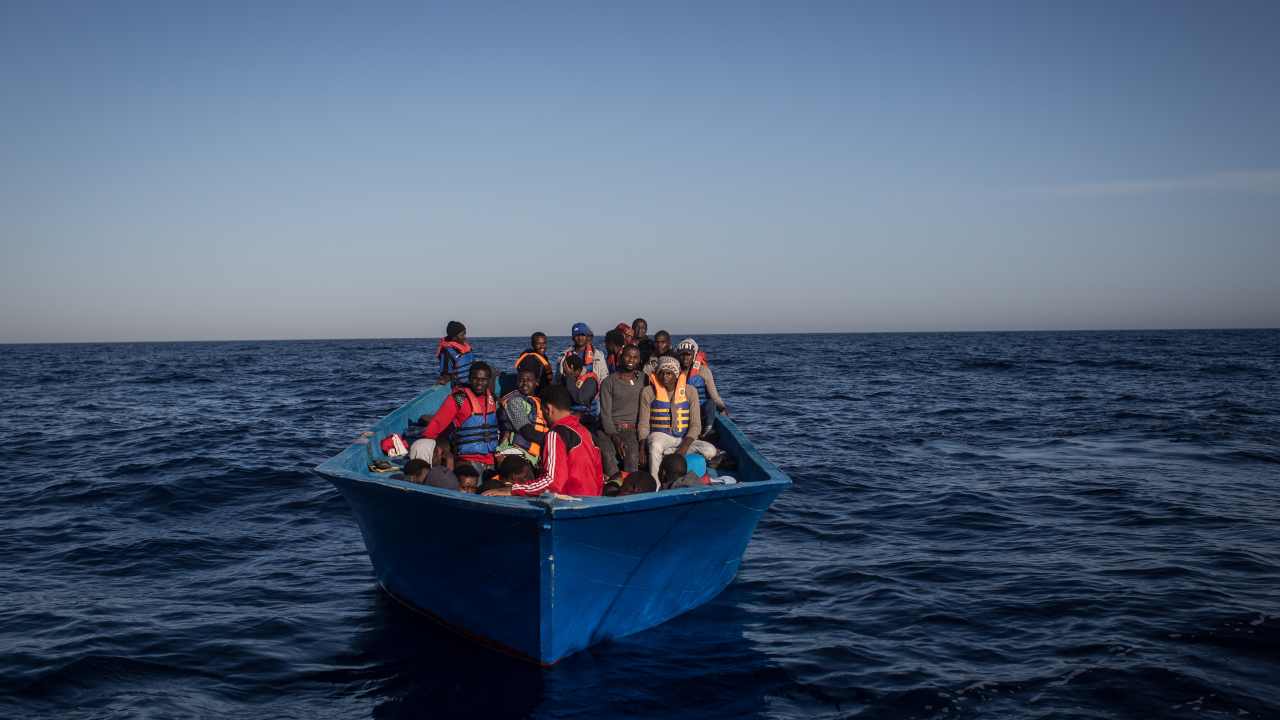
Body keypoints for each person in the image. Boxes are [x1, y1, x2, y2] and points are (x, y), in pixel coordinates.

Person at [484, 385, 603, 497]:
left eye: (542, 412)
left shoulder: (555, 434)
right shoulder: (587, 433)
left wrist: (512, 490)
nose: (544, 419)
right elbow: (599, 477)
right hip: (592, 500)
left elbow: (552, 482)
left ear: (548, 409)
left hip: (567, 503)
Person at [411, 362, 499, 471]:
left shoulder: (493, 400)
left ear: (489, 380)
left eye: (484, 379)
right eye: (475, 379)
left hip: (492, 459)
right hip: (467, 459)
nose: (479, 383)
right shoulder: (458, 399)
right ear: (469, 378)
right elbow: (436, 425)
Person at [639, 356, 717, 473]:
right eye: (662, 373)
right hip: (660, 438)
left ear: (676, 375)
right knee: (655, 444)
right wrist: (642, 449)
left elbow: (696, 425)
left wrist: (683, 448)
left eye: (669, 373)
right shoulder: (648, 392)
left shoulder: (690, 391)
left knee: (710, 450)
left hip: (683, 439)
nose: (665, 376)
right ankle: (656, 482)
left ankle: (667, 455)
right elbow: (643, 424)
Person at [598, 344, 644, 476]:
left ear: (639, 360)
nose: (631, 360)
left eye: (635, 357)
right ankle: (614, 486)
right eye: (628, 356)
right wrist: (615, 437)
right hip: (609, 429)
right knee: (607, 454)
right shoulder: (609, 382)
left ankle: (631, 487)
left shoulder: (643, 379)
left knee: (632, 455)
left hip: (631, 429)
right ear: (621, 357)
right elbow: (605, 415)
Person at [675, 338, 728, 436]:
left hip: (700, 410)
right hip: (681, 411)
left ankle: (707, 430)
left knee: (711, 403)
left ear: (694, 355)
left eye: (688, 354)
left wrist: (722, 408)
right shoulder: (674, 371)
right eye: (682, 354)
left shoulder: (703, 371)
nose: (685, 358)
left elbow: (714, 395)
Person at [496, 368, 549, 464]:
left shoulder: (538, 402)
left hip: (532, 455)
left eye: (529, 380)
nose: (524, 383)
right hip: (514, 451)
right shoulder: (514, 401)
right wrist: (552, 440)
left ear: (536, 382)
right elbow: (526, 431)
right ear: (517, 382)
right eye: (521, 380)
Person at [435, 321, 473, 386]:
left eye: (465, 334)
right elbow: (445, 374)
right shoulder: (447, 352)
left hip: (472, 381)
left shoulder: (465, 347)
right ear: (454, 337)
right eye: (462, 335)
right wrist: (444, 379)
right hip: (461, 386)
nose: (465, 337)